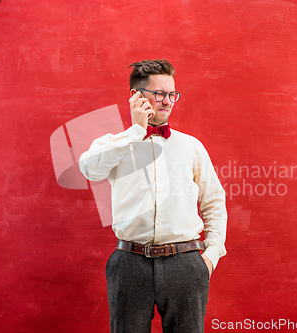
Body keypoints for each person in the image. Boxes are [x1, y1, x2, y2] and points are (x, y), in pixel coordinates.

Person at [79, 59, 227, 333]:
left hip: (186, 263)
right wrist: (135, 131)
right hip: (129, 264)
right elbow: (89, 169)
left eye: (172, 94)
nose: (167, 101)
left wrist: (211, 255)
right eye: (159, 94)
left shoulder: (190, 146)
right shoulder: (115, 145)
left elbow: (214, 201)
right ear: (137, 97)